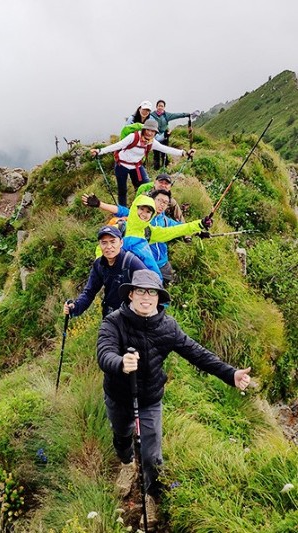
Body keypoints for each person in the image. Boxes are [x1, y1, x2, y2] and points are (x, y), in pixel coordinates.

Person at [97, 269, 252, 530]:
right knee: (121, 436)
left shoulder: (167, 327)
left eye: (152, 292)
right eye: (141, 291)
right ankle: (126, 463)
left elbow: (196, 353)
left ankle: (151, 494)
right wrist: (121, 362)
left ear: (158, 298)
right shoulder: (114, 322)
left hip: (150, 398)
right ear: (131, 294)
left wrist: (231, 374)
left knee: (153, 453)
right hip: (119, 395)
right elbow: (104, 352)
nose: (146, 297)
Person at [82, 193, 212, 280]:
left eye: (148, 211)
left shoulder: (151, 230)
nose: (144, 214)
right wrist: (103, 267)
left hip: (155, 269)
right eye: (141, 209)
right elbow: (102, 248)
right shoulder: (119, 229)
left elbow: (178, 229)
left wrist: (199, 226)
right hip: (123, 276)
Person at [90, 119, 195, 207]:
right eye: (148, 130)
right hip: (121, 165)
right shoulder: (133, 137)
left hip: (136, 166)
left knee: (145, 186)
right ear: (144, 129)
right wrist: (99, 151)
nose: (150, 133)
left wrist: (184, 153)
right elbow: (118, 145)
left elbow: (165, 149)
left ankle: (143, 206)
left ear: (155, 133)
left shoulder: (151, 142)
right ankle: (122, 212)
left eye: (153, 131)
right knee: (122, 190)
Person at [63, 226, 147, 319]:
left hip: (132, 316)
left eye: (113, 242)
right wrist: (75, 307)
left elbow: (150, 288)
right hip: (110, 315)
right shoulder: (99, 264)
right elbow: (89, 292)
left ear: (121, 242)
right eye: (104, 243)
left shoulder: (132, 262)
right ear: (99, 245)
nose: (109, 247)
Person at [136, 172, 192, 242]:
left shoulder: (171, 202)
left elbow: (179, 218)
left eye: (166, 184)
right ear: (155, 183)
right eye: (161, 182)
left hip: (162, 226)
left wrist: (187, 234)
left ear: (170, 187)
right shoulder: (145, 198)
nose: (163, 185)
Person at [151, 99, 191, 170]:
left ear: (164, 107)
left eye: (162, 106)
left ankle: (165, 166)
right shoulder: (152, 115)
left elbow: (177, 115)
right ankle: (156, 168)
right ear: (156, 106)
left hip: (164, 136)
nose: (160, 107)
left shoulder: (167, 115)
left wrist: (187, 114)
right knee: (156, 153)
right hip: (155, 137)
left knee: (164, 152)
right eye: (159, 106)